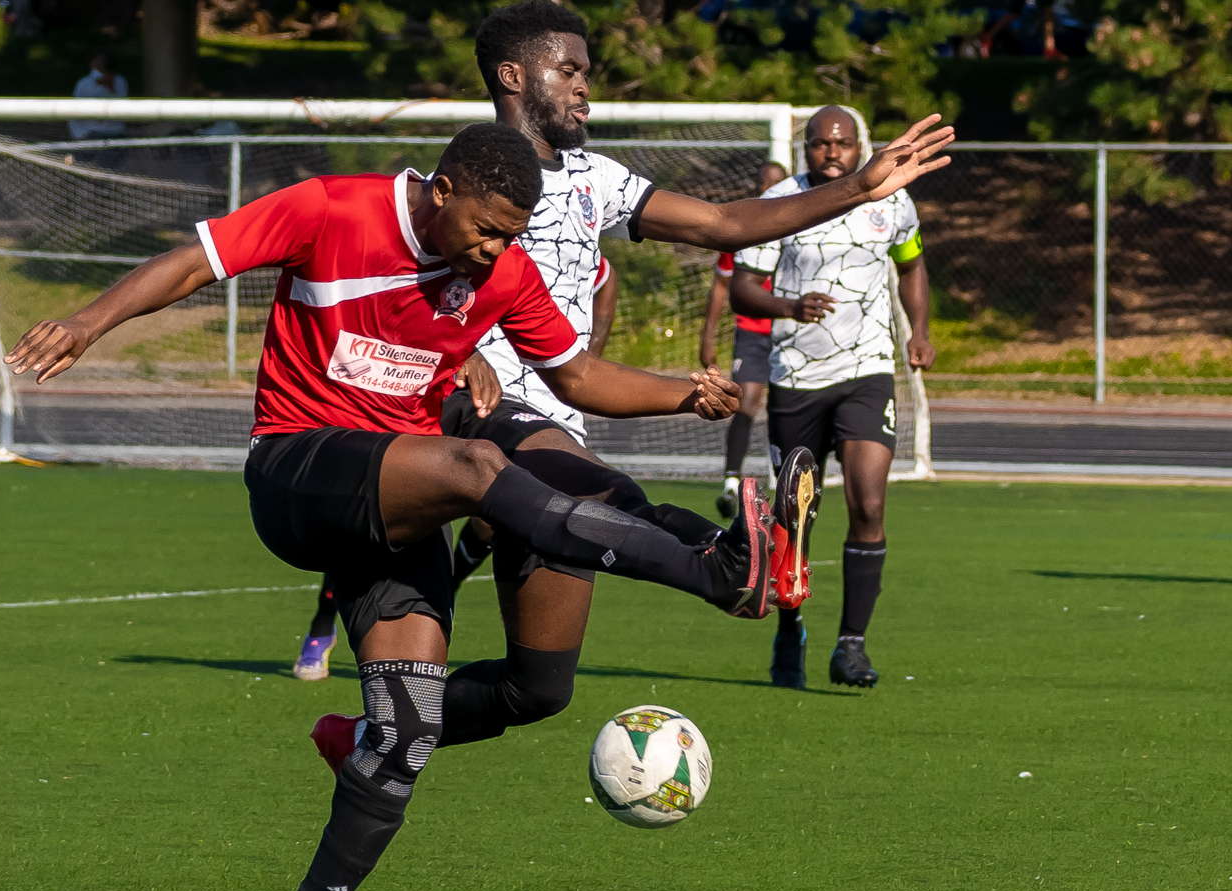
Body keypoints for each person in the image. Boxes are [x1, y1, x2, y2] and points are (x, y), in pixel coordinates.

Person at [3, 123, 779, 891]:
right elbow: (190, 264)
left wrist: (680, 391)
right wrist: (88, 322)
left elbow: (575, 374)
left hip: (393, 505)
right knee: (475, 466)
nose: (497, 252)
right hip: (299, 473)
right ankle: (712, 567)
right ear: (443, 189)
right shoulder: (333, 208)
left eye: (513, 236)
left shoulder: (502, 270)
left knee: (406, 735)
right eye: (489, 229)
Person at [306, 0, 955, 776]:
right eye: (570, 71)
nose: (586, 87)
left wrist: (859, 190)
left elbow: (720, 221)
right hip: (470, 416)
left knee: (538, 686)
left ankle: (367, 739)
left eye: (588, 72)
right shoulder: (464, 177)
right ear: (514, 76)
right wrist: (452, 357)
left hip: (556, 413)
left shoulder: (594, 179)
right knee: (599, 494)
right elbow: (383, 281)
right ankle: (732, 561)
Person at [292, 255, 619, 682]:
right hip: (447, 393)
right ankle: (324, 620)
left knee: (495, 519)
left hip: (526, 403)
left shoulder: (565, 246)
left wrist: (584, 358)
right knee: (383, 522)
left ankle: (444, 595)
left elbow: (606, 284)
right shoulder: (466, 246)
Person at [731, 105, 935, 690]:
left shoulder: (891, 199)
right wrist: (788, 308)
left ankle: (852, 645)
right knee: (796, 517)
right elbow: (745, 287)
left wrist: (919, 331)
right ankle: (790, 625)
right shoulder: (782, 204)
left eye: (843, 143)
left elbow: (912, 266)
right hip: (795, 377)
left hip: (867, 370)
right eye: (821, 144)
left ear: (858, 144)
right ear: (807, 148)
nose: (833, 152)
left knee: (869, 501)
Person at [699, 160, 791, 517]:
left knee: (787, 404)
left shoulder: (801, 225)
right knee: (746, 398)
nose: (769, 192)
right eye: (764, 186)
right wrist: (707, 335)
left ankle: (788, 481)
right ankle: (731, 482)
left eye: (776, 186)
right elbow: (721, 285)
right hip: (752, 330)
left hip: (790, 331)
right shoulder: (741, 229)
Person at [69, 51, 128, 141]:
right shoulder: (83, 83)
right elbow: (74, 113)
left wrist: (110, 87)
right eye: (97, 63)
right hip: (88, 136)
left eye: (103, 63)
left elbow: (122, 111)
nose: (100, 67)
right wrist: (81, 135)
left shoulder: (119, 81)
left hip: (114, 134)